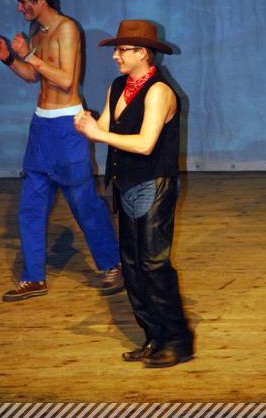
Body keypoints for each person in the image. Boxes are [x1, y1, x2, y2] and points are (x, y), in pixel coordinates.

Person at [0, 0, 123, 302]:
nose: (20, 7)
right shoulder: (35, 31)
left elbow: (65, 80)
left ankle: (113, 264)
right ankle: (33, 278)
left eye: (24, 1)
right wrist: (9, 59)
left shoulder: (67, 29)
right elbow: (33, 77)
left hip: (67, 125)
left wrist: (29, 55)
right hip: (42, 126)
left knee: (83, 202)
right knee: (30, 206)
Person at [74, 19, 194, 368]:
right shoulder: (118, 86)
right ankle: (154, 336)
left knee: (154, 265)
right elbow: (107, 127)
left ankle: (178, 341)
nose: (115, 56)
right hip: (126, 184)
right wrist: (88, 123)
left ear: (143, 53)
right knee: (132, 266)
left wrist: (97, 134)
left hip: (153, 184)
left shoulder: (159, 92)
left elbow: (144, 144)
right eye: (116, 50)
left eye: (122, 50)